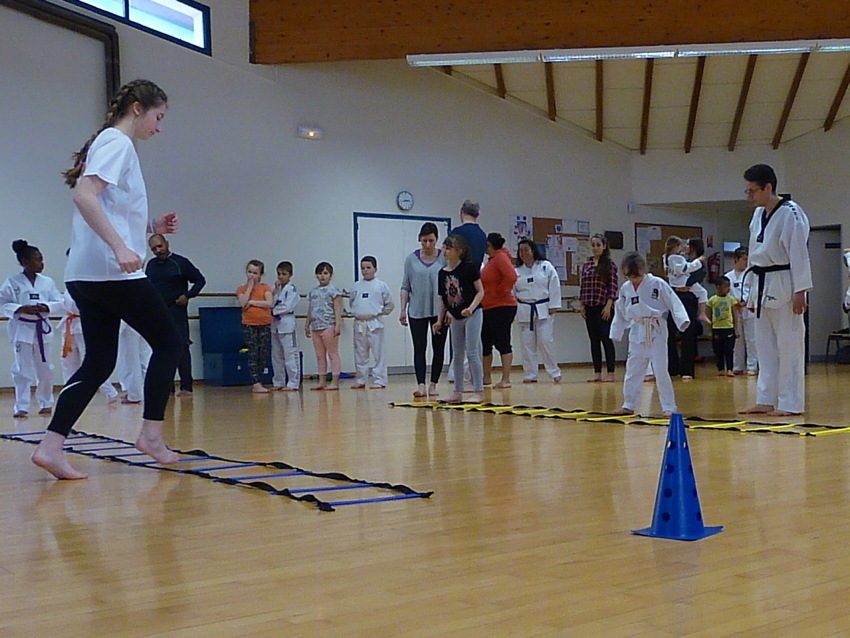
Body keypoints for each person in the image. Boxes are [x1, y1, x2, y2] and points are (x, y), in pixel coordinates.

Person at [31, 79, 183, 480]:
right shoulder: (118, 143)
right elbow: (84, 196)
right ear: (138, 108)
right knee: (169, 342)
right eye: (158, 117)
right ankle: (151, 435)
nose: (159, 127)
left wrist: (151, 226)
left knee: (99, 362)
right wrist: (119, 247)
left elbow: (111, 207)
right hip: (110, 273)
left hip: (84, 274)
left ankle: (50, 446)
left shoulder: (107, 143)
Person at [740, 164, 812, 416]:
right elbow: (753, 256)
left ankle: (790, 403)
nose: (749, 196)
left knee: (789, 346)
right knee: (764, 347)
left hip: (785, 283)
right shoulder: (757, 215)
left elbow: (799, 253)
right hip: (761, 284)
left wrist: (801, 291)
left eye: (752, 191)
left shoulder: (791, 213)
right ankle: (765, 399)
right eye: (747, 191)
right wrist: (750, 293)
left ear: (768, 187)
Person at [610, 252, 690, 417]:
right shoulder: (625, 288)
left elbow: (673, 302)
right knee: (633, 370)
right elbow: (620, 311)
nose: (634, 280)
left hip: (656, 329)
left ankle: (669, 407)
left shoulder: (657, 283)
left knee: (661, 370)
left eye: (637, 276)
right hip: (637, 329)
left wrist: (682, 321)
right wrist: (616, 331)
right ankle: (629, 404)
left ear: (643, 270)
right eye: (629, 276)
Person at [0, 240, 64, 418]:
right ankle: (22, 406)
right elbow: (2, 302)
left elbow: (60, 302)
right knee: (22, 369)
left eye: (42, 259)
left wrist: (46, 307)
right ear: (25, 261)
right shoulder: (12, 282)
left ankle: (46, 402)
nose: (42, 263)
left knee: (46, 368)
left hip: (42, 328)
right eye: (38, 259)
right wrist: (20, 308)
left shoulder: (47, 282)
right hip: (22, 329)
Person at [146, 234, 206, 396]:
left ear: (167, 244)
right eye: (154, 249)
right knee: (162, 348)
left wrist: (188, 295)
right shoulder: (151, 265)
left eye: (160, 246)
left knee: (181, 347)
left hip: (176, 310)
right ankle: (168, 387)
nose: (158, 250)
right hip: (158, 312)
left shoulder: (180, 262)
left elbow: (200, 280)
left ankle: (186, 386)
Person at [434, 234, 485, 403]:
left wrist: (471, 308)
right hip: (456, 317)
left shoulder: (469, 268)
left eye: (449, 248)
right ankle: (457, 391)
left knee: (472, 352)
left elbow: (480, 291)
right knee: (457, 354)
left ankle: (478, 390)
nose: (445, 251)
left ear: (459, 251)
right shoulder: (442, 273)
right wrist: (439, 320)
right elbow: (443, 299)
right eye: (444, 248)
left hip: (472, 314)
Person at [399, 222, 447, 398]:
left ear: (437, 240)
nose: (427, 244)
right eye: (424, 240)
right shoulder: (411, 259)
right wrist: (403, 309)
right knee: (419, 348)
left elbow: (451, 285)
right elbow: (405, 286)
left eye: (431, 241)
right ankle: (421, 385)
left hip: (439, 311)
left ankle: (433, 384)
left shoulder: (444, 258)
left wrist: (449, 310)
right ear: (419, 239)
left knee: (438, 348)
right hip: (417, 310)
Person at [57, 290, 120, 404]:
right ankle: (70, 394)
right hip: (69, 326)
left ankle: (110, 392)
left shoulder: (88, 288)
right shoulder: (68, 288)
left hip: (85, 325)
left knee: (90, 363)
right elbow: (61, 303)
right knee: (68, 362)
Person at [513, 238, 562, 384]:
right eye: (520, 250)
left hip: (543, 308)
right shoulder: (516, 271)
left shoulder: (545, 266)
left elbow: (554, 285)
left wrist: (554, 305)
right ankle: (530, 374)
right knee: (527, 344)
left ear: (533, 251)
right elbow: (512, 291)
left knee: (546, 341)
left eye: (526, 250)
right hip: (524, 308)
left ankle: (554, 372)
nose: (523, 253)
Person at [349, 256, 394, 389]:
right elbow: (352, 302)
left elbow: (390, 304)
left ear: (375, 269)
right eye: (363, 268)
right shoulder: (356, 286)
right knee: (360, 353)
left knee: (378, 353)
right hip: (359, 323)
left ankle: (380, 380)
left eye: (368, 267)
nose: (365, 270)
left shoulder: (381, 285)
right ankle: (361, 379)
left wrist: (379, 313)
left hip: (375, 322)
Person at [663, 235, 704, 380]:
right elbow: (671, 276)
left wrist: (685, 285)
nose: (684, 247)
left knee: (688, 333)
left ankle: (687, 369)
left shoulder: (698, 262)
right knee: (670, 331)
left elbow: (695, 278)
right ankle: (672, 367)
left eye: (687, 245)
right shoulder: (674, 259)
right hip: (675, 296)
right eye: (682, 245)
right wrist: (677, 287)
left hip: (689, 298)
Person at [579, 233, 618, 383]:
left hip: (603, 306)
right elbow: (583, 286)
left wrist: (609, 305)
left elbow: (612, 287)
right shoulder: (587, 264)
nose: (595, 248)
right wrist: (582, 304)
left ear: (604, 246)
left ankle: (611, 372)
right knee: (593, 340)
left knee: (606, 339)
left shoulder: (609, 265)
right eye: (593, 245)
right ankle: (597, 373)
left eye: (598, 245)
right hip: (589, 305)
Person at [480, 233, 517, 388]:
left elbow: (511, 276)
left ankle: (505, 379)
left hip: (502, 306)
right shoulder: (492, 260)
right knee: (486, 341)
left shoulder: (501, 257)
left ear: (490, 245)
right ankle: (486, 377)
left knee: (502, 341)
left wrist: (499, 291)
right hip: (489, 306)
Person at [237, 259, 273, 393]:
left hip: (264, 323)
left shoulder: (265, 287)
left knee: (262, 353)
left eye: (255, 273)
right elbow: (242, 303)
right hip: (249, 324)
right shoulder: (242, 289)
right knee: (253, 352)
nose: (252, 275)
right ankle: (255, 383)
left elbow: (269, 303)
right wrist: (249, 288)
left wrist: (252, 302)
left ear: (261, 274)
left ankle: (260, 379)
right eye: (249, 272)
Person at [306, 261, 343, 391]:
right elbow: (310, 309)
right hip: (316, 327)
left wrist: (338, 325)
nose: (322, 276)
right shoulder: (313, 292)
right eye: (319, 273)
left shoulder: (334, 290)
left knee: (332, 354)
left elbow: (337, 309)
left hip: (329, 326)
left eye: (325, 273)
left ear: (330, 275)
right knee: (320, 356)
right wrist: (307, 324)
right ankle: (321, 381)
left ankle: (335, 381)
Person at [726, 246, 758, 375]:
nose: (746, 262)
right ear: (736, 259)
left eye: (747, 259)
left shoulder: (752, 275)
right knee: (737, 340)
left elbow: (754, 291)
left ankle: (752, 366)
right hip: (735, 311)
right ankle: (737, 366)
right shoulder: (728, 277)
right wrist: (735, 302)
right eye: (744, 259)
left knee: (751, 339)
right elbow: (726, 293)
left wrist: (744, 301)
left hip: (749, 309)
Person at [270, 260, 301, 391]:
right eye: (279, 274)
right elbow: (270, 303)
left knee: (290, 355)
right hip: (275, 324)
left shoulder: (291, 289)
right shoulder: (277, 289)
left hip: (287, 323)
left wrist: (273, 311)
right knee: (276, 356)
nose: (281, 276)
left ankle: (293, 382)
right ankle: (278, 382)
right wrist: (274, 292)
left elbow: (287, 306)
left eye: (284, 274)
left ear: (290, 275)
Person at [706, 275, 737, 377]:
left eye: (729, 286)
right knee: (718, 350)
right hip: (717, 328)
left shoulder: (731, 299)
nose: (728, 289)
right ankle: (720, 368)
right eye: (725, 286)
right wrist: (709, 330)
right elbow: (708, 316)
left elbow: (735, 314)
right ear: (718, 286)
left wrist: (736, 329)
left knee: (729, 350)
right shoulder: (712, 300)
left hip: (728, 328)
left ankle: (730, 369)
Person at [452, 200, 488, 270]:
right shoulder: (482, 235)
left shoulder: (456, 232)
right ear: (478, 215)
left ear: (461, 211)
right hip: (475, 274)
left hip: (458, 274)